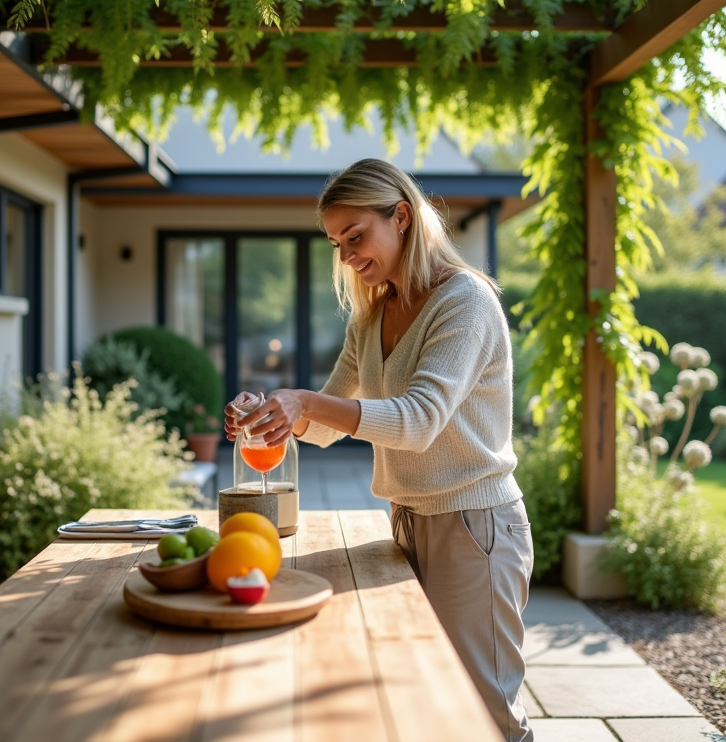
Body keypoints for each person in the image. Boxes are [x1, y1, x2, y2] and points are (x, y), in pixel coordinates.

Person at [225, 158, 533, 741]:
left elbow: (418, 420)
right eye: (337, 242)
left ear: (402, 216)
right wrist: (268, 417)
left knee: (486, 713)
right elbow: (328, 418)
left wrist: (306, 404)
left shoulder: (464, 301)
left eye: (356, 236)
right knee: (423, 697)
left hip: (474, 528)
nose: (345, 256)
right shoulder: (372, 313)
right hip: (409, 518)